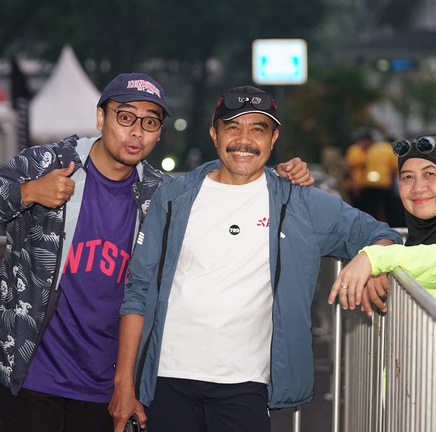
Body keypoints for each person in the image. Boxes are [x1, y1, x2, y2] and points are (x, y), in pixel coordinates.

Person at [0, 73, 312, 432]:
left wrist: (281, 176)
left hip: (106, 384)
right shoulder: (49, 163)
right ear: (101, 117)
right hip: (30, 375)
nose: (137, 132)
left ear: (159, 132)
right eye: (125, 117)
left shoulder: (161, 194)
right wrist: (27, 193)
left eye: (150, 122)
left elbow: (224, 181)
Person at [108, 85, 403, 432]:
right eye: (233, 127)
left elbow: (381, 233)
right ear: (215, 134)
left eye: (258, 129)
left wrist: (371, 261)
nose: (244, 140)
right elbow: (138, 289)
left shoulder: (298, 202)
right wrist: (124, 383)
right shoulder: (174, 196)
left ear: (273, 138)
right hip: (167, 378)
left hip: (245, 385)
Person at [330, 134, 436, 353]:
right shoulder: (411, 246)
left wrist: (374, 259)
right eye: (408, 177)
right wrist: (383, 270)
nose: (418, 187)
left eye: (430, 174)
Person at [345, 128, 373, 207]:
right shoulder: (354, 150)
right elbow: (350, 167)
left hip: (370, 183)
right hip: (357, 182)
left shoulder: (372, 151)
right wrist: (354, 183)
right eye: (364, 140)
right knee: (358, 205)